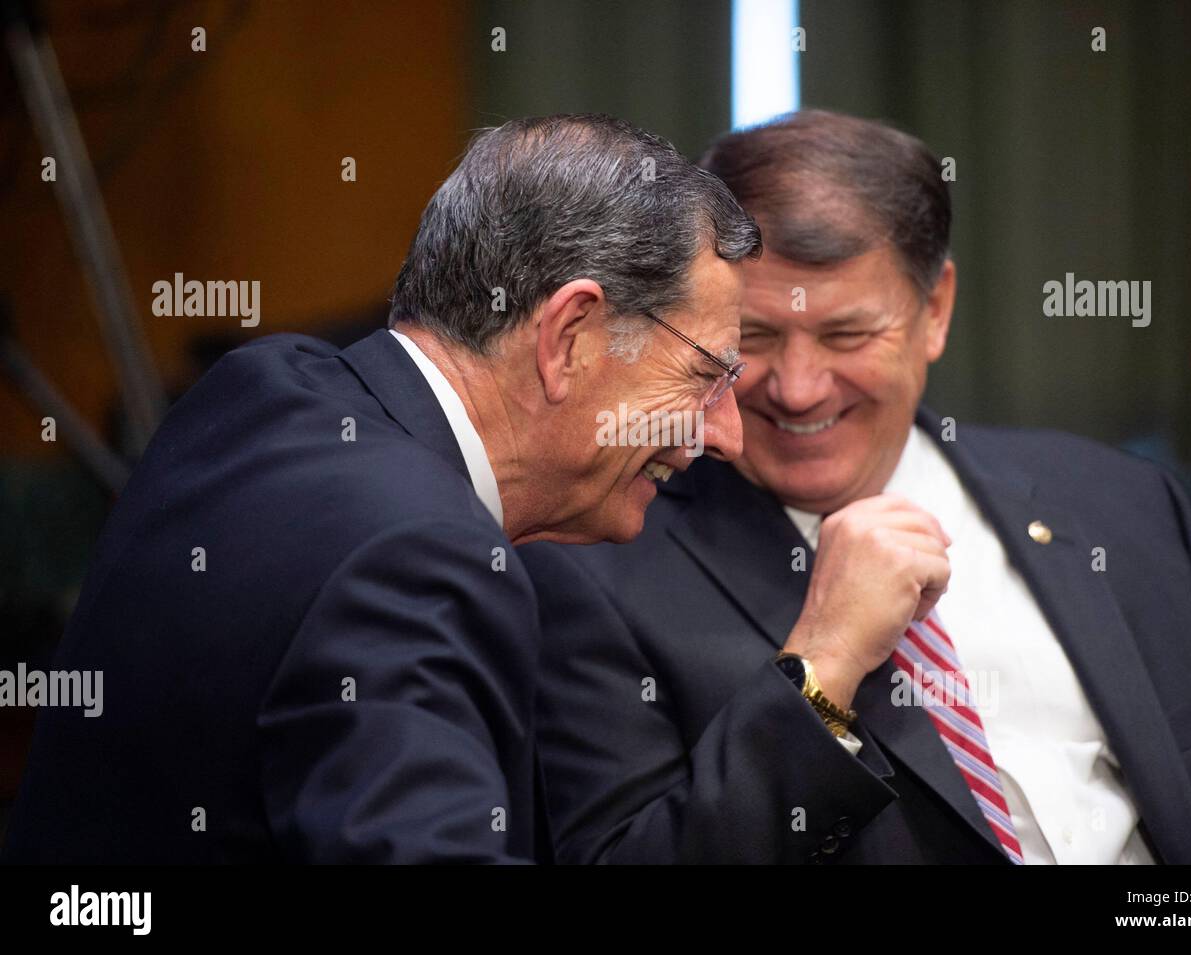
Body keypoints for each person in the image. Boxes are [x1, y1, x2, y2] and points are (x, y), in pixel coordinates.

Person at [2, 113, 759, 863]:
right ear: (570, 337)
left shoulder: (265, 386)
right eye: (704, 376)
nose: (727, 434)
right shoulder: (417, 559)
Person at [521, 109, 1191, 864]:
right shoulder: (595, 571)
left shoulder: (1123, 506)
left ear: (934, 310)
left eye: (846, 336)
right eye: (757, 340)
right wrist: (820, 665)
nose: (800, 389)